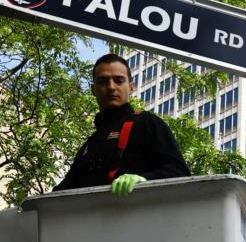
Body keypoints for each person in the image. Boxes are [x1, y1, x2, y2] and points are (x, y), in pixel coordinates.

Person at [53, 53, 189, 194]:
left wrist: (145, 180)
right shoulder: (88, 146)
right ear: (93, 90)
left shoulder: (147, 123)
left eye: (118, 80)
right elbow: (60, 193)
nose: (111, 87)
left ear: (131, 87)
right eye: (103, 81)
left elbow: (179, 172)